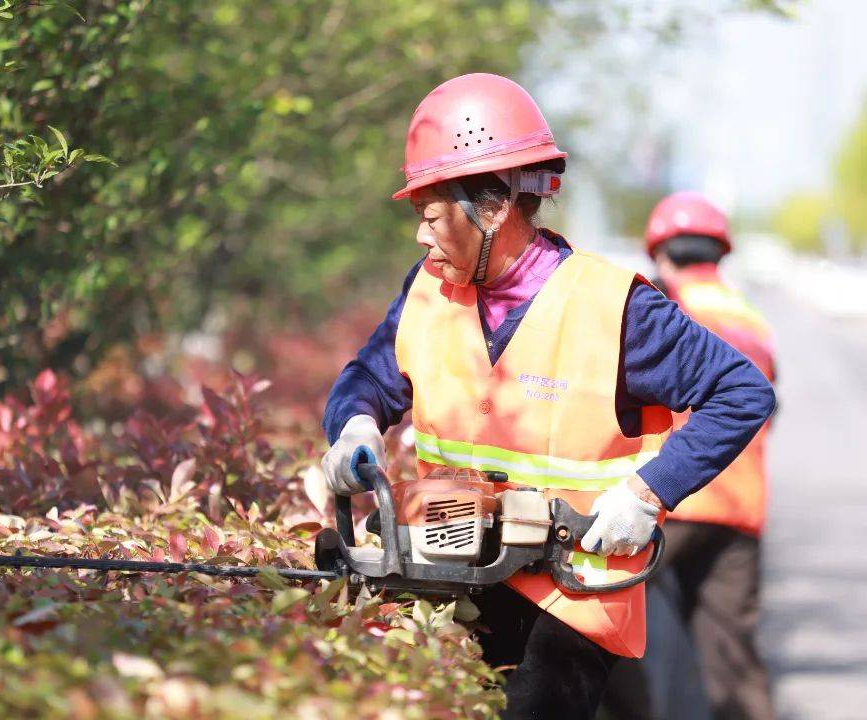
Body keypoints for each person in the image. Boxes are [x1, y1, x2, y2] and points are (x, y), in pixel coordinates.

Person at [319, 74, 776, 720]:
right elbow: (366, 379)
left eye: (431, 217)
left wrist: (649, 493)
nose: (421, 237)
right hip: (452, 572)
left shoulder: (618, 311)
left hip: (572, 598)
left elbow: (740, 391)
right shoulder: (426, 292)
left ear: (495, 207)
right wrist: (355, 427)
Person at [604, 193, 778, 720]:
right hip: (740, 508)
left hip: (663, 498)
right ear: (720, 254)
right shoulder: (753, 318)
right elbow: (766, 409)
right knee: (731, 655)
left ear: (660, 252)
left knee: (597, 622)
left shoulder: (660, 307)